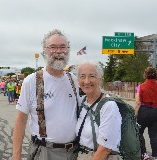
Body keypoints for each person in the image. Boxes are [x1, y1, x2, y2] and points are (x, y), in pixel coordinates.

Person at [13, 29, 80, 160]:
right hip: (44, 152)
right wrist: (16, 156)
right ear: (44, 51)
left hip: (72, 152)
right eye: (53, 47)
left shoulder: (74, 80)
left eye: (62, 47)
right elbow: (20, 121)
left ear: (68, 50)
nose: (58, 51)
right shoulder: (32, 81)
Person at [75, 61, 122, 160]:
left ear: (100, 79)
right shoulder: (82, 102)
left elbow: (105, 149)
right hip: (82, 155)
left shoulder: (109, 106)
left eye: (92, 76)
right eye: (82, 76)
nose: (87, 81)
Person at [135, 67, 157, 159]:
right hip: (155, 111)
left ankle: (144, 153)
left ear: (145, 75)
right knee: (154, 134)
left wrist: (135, 114)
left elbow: (138, 102)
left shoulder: (141, 86)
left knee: (139, 132)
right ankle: (155, 155)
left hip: (144, 111)